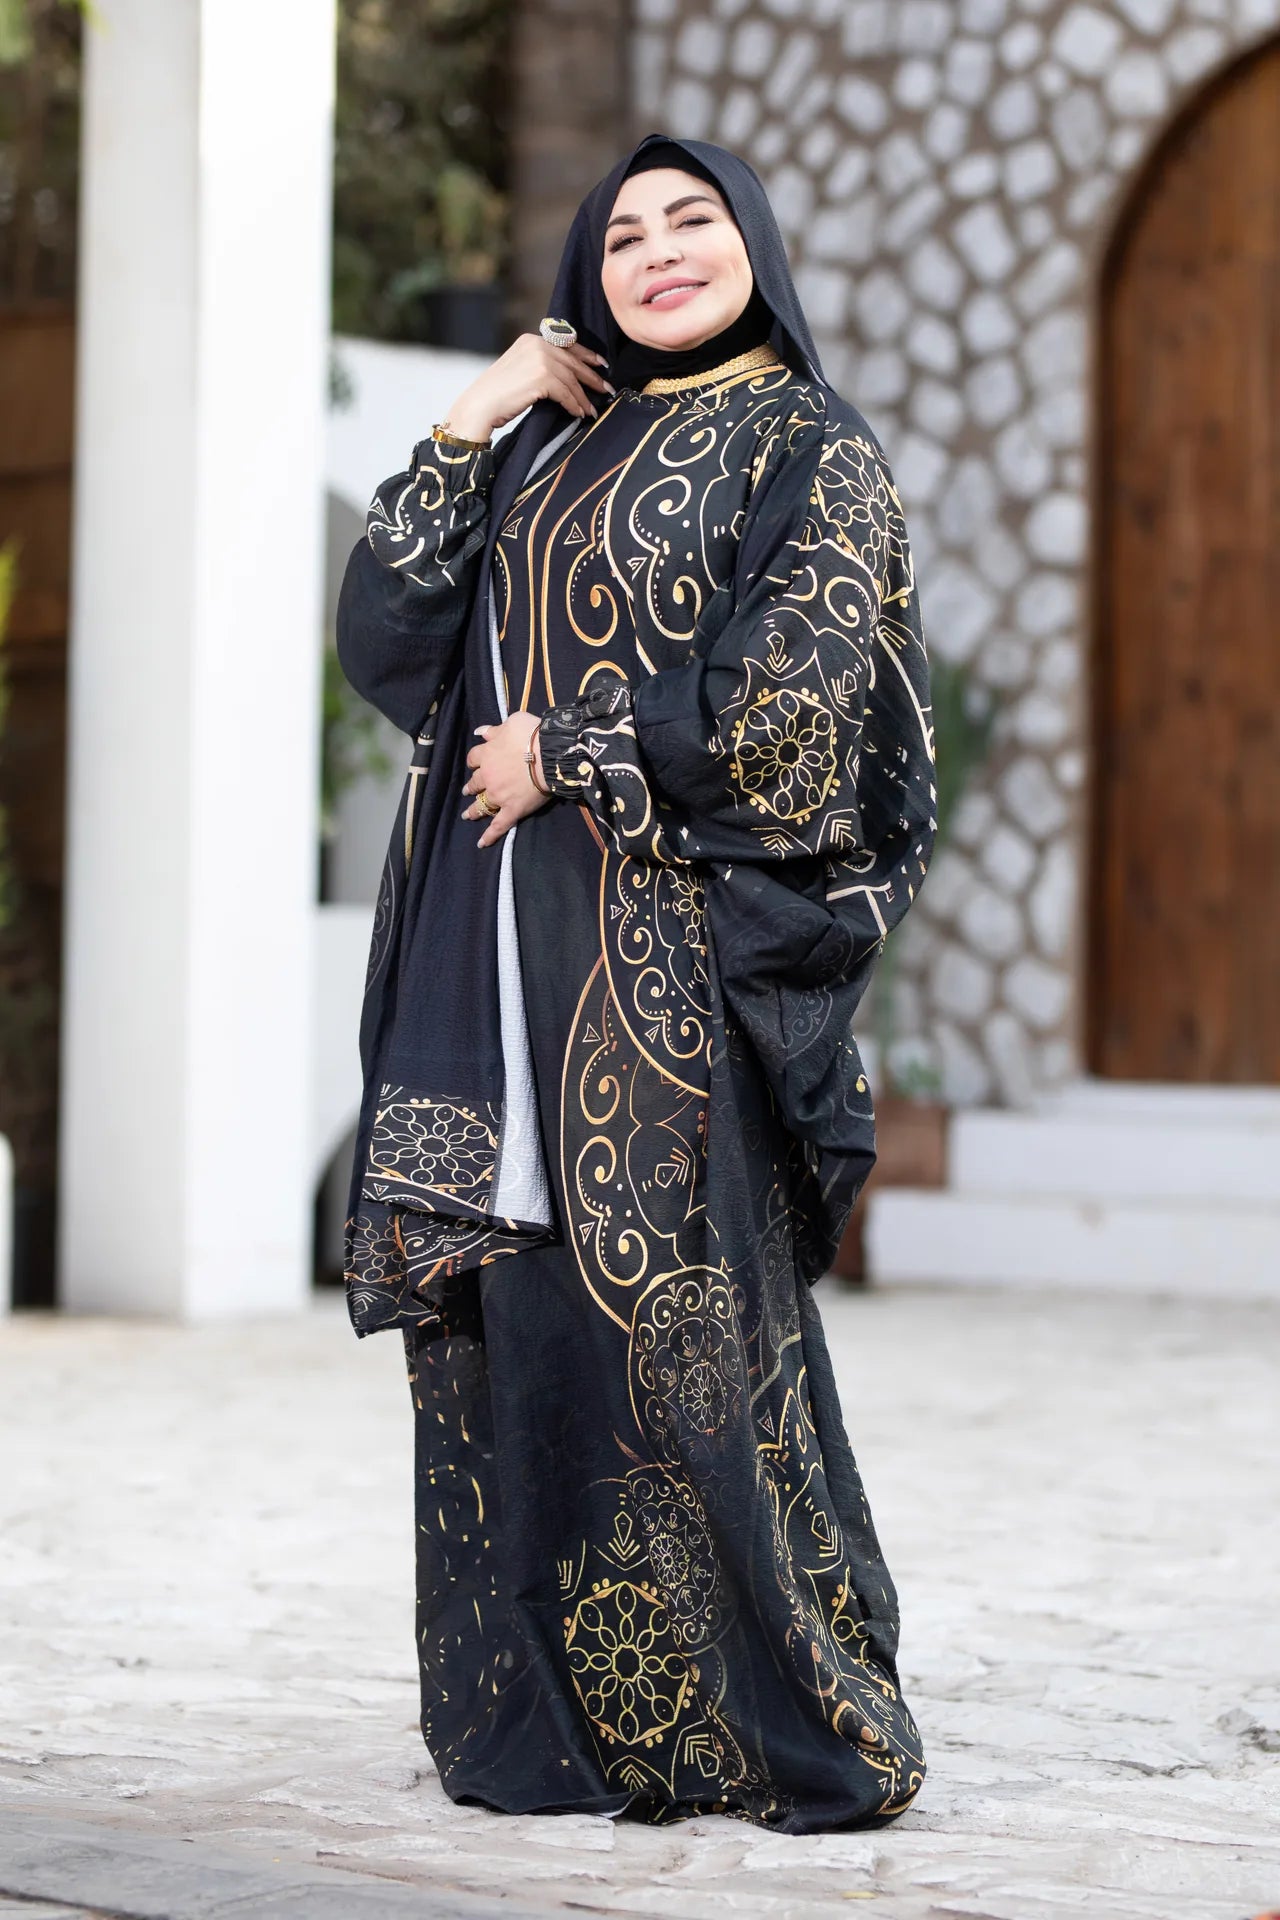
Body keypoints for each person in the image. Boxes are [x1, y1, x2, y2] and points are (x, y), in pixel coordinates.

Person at [336, 134, 935, 1832]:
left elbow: (798, 715)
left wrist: (572, 754)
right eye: (623, 233)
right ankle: (559, 1727)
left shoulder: (807, 446)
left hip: (655, 969)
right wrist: (480, 411)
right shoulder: (549, 442)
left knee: (683, 1341)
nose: (660, 251)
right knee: (519, 1332)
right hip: (491, 961)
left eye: (695, 220)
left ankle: (791, 1724)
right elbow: (392, 642)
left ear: (753, 240)